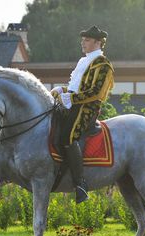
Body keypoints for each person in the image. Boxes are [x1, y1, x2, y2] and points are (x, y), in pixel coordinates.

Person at [50, 25, 114, 203]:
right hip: (72, 105)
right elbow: (74, 87)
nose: (82, 42)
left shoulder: (103, 65)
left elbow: (96, 92)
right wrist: (62, 90)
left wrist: (70, 98)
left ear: (97, 42)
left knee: (67, 137)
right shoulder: (82, 61)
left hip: (87, 109)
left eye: (86, 40)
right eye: (83, 39)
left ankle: (80, 184)